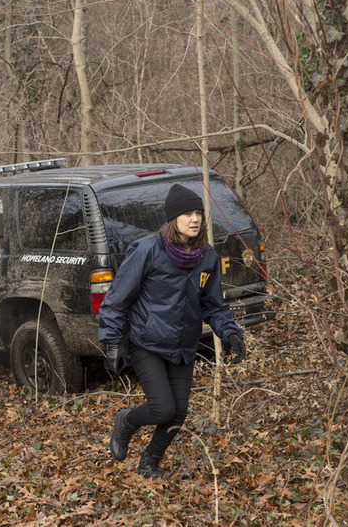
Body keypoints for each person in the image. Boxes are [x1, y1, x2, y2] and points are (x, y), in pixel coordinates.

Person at [98, 183, 247, 478]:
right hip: (147, 343)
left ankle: (149, 464)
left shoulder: (207, 257)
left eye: (198, 214)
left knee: (179, 413)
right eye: (187, 214)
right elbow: (116, 299)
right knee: (163, 408)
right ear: (172, 219)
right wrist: (113, 342)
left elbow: (213, 305)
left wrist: (230, 332)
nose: (195, 219)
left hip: (183, 346)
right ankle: (126, 420)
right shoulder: (147, 250)